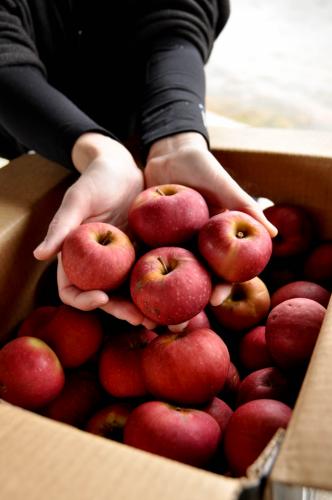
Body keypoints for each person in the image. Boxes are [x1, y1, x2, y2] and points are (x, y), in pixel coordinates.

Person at [0, 0, 276, 326]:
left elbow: (181, 13)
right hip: (31, 120)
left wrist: (176, 135)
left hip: (140, 103)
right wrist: (97, 150)